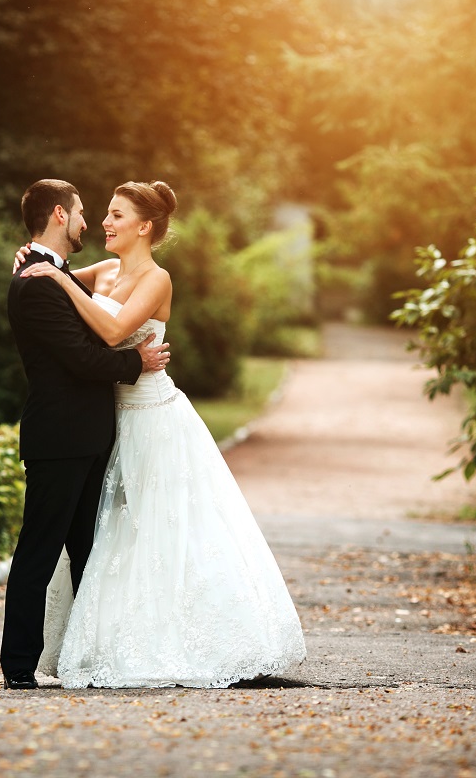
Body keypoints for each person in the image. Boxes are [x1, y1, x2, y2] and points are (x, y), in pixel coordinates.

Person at [18, 180, 306, 689]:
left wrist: (61, 283)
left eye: (116, 215)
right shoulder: (103, 270)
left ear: (145, 226)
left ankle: (194, 634)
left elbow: (110, 331)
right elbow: (47, 274)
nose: (104, 222)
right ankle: (104, 640)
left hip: (151, 415)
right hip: (106, 420)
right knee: (109, 538)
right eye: (102, 213)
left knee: (164, 527)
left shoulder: (158, 279)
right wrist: (28, 258)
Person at [1, 179, 171, 690]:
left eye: (113, 215)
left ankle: (91, 657)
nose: (92, 221)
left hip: (92, 436)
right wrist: (134, 362)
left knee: (91, 556)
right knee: (39, 551)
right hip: (59, 437)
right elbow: (81, 357)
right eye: (83, 212)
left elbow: (86, 308)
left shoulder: (60, 274)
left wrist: (59, 276)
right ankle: (18, 666)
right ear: (60, 213)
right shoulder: (37, 282)